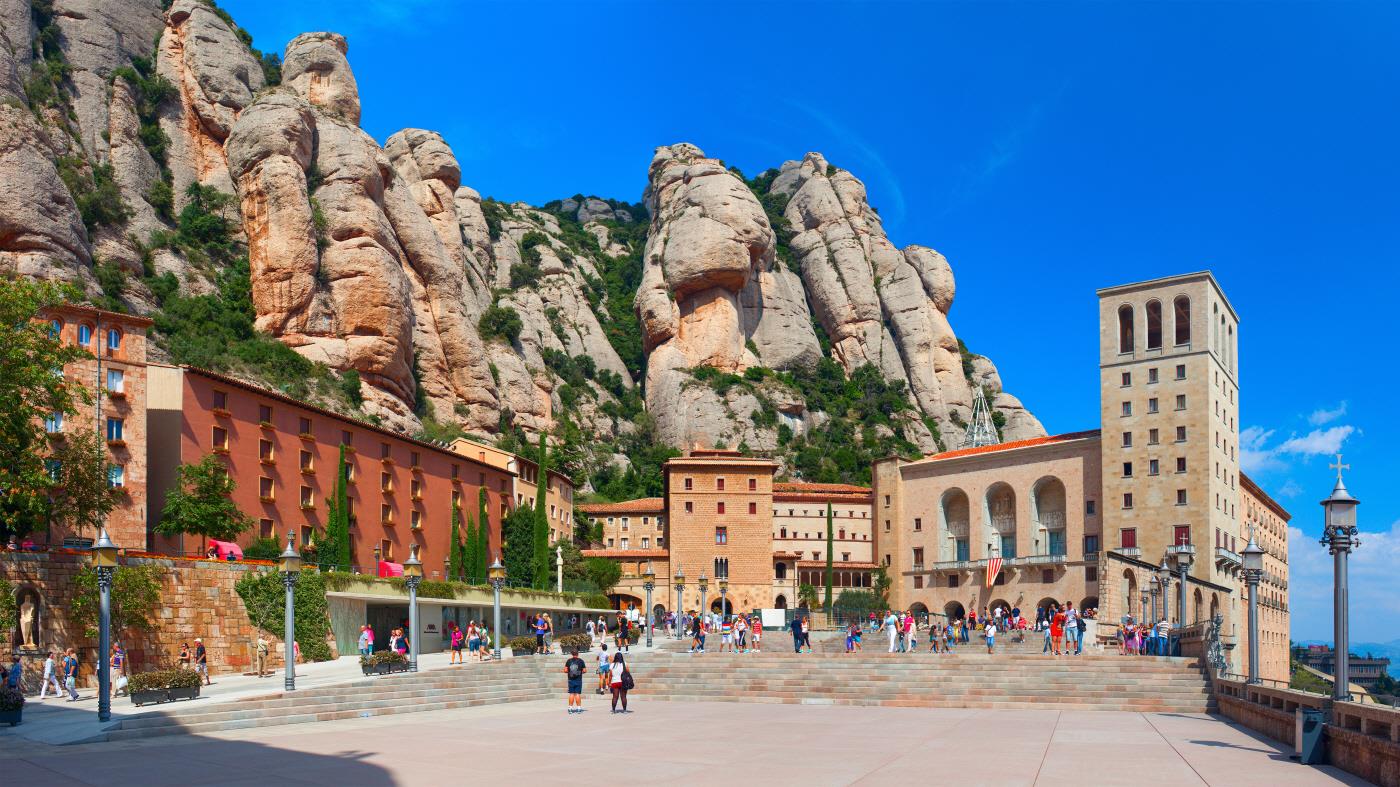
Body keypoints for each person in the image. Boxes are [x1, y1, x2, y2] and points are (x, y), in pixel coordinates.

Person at [564, 647, 587, 714]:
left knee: (571, 694)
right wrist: (579, 672)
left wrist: (570, 672)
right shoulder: (581, 661)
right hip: (578, 680)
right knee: (577, 694)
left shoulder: (569, 661)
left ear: (572, 654)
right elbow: (585, 670)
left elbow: (565, 670)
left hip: (570, 680)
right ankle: (579, 708)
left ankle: (570, 708)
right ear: (578, 653)